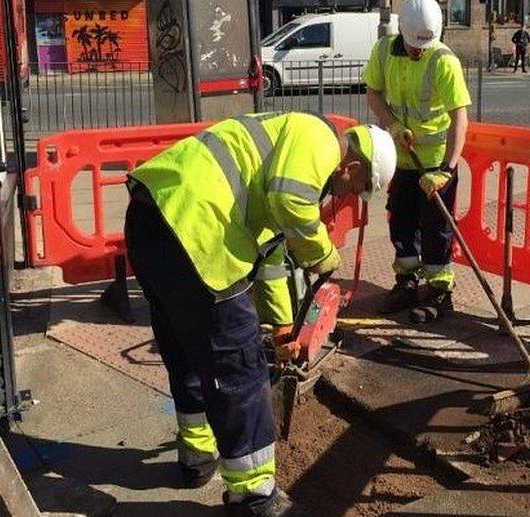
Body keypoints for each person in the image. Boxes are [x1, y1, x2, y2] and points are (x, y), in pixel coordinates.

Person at [124, 112, 397, 517]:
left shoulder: (276, 148)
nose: (348, 197)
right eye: (355, 189)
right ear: (351, 167)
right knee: (241, 365)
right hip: (200, 230)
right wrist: (321, 253)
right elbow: (290, 201)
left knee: (186, 347)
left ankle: (197, 456)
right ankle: (253, 497)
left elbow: (269, 257)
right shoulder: (318, 138)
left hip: (153, 220)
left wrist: (284, 325)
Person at [365, 0, 472, 324]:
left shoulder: (443, 61)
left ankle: (440, 293)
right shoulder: (384, 51)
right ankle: (408, 282)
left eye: (424, 46)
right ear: (401, 30)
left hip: (436, 164)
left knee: (436, 229)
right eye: (414, 45)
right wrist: (392, 124)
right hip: (401, 160)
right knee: (401, 222)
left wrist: (447, 170)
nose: (418, 51)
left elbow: (459, 118)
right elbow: (373, 93)